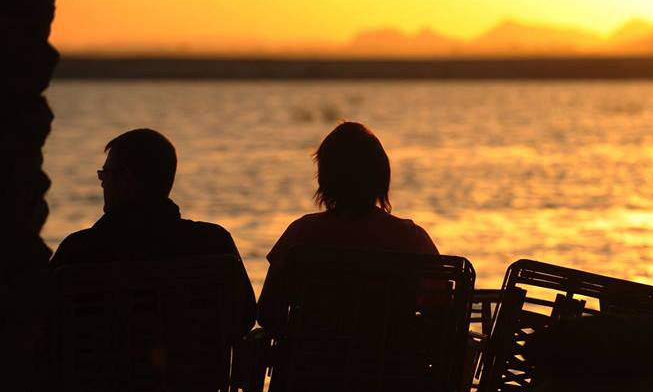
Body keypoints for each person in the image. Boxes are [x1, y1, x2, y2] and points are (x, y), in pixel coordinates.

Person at [51, 128, 256, 332]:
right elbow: (244, 319)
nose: (102, 182)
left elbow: (42, 321)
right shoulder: (215, 243)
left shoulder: (78, 250)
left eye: (105, 174)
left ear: (127, 179)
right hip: (192, 363)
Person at [257, 121, 438, 329]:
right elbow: (442, 310)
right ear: (381, 176)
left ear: (325, 179)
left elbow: (267, 312)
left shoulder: (300, 234)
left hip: (314, 358)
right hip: (389, 359)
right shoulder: (410, 238)